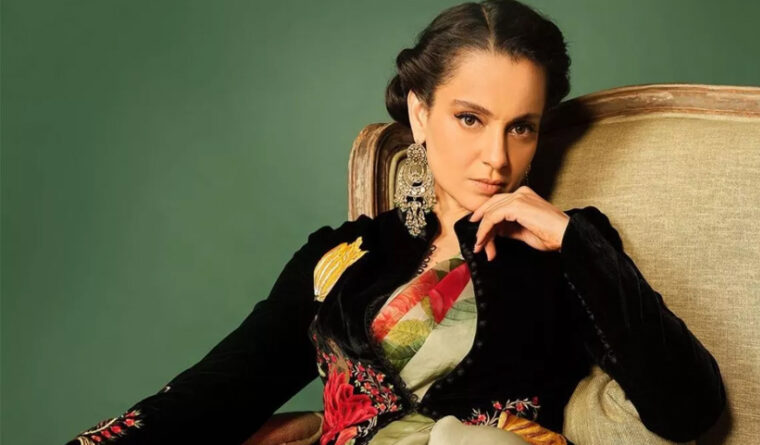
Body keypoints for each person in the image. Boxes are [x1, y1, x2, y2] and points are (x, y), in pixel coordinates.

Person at [64, 1, 726, 444]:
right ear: (418, 114)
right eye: (470, 119)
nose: (497, 157)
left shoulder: (566, 248)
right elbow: (221, 390)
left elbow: (688, 408)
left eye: (521, 127)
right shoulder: (345, 257)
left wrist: (573, 242)